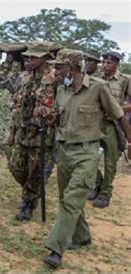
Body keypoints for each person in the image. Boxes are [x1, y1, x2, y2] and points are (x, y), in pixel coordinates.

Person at [43, 49, 131, 268]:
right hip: (63, 151)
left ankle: (56, 248)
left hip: (87, 153)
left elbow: (120, 116)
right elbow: (58, 118)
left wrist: (130, 142)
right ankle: (82, 236)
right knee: (67, 199)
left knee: (72, 199)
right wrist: (47, 116)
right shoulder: (61, 90)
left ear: (72, 68)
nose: (55, 71)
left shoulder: (97, 88)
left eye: (59, 67)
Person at [8, 42, 56, 221]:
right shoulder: (25, 76)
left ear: (45, 57)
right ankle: (32, 192)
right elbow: (17, 105)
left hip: (41, 133)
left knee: (35, 170)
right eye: (29, 56)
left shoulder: (54, 77)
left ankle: (28, 203)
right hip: (22, 130)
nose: (29, 59)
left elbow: (60, 106)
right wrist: (12, 131)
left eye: (34, 56)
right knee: (15, 166)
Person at [88, 51, 131, 208]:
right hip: (94, 124)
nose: (105, 65)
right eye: (104, 62)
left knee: (110, 162)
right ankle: (97, 184)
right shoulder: (95, 78)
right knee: (89, 157)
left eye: (109, 63)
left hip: (114, 126)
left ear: (117, 64)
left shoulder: (125, 80)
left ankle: (105, 193)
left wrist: (118, 110)